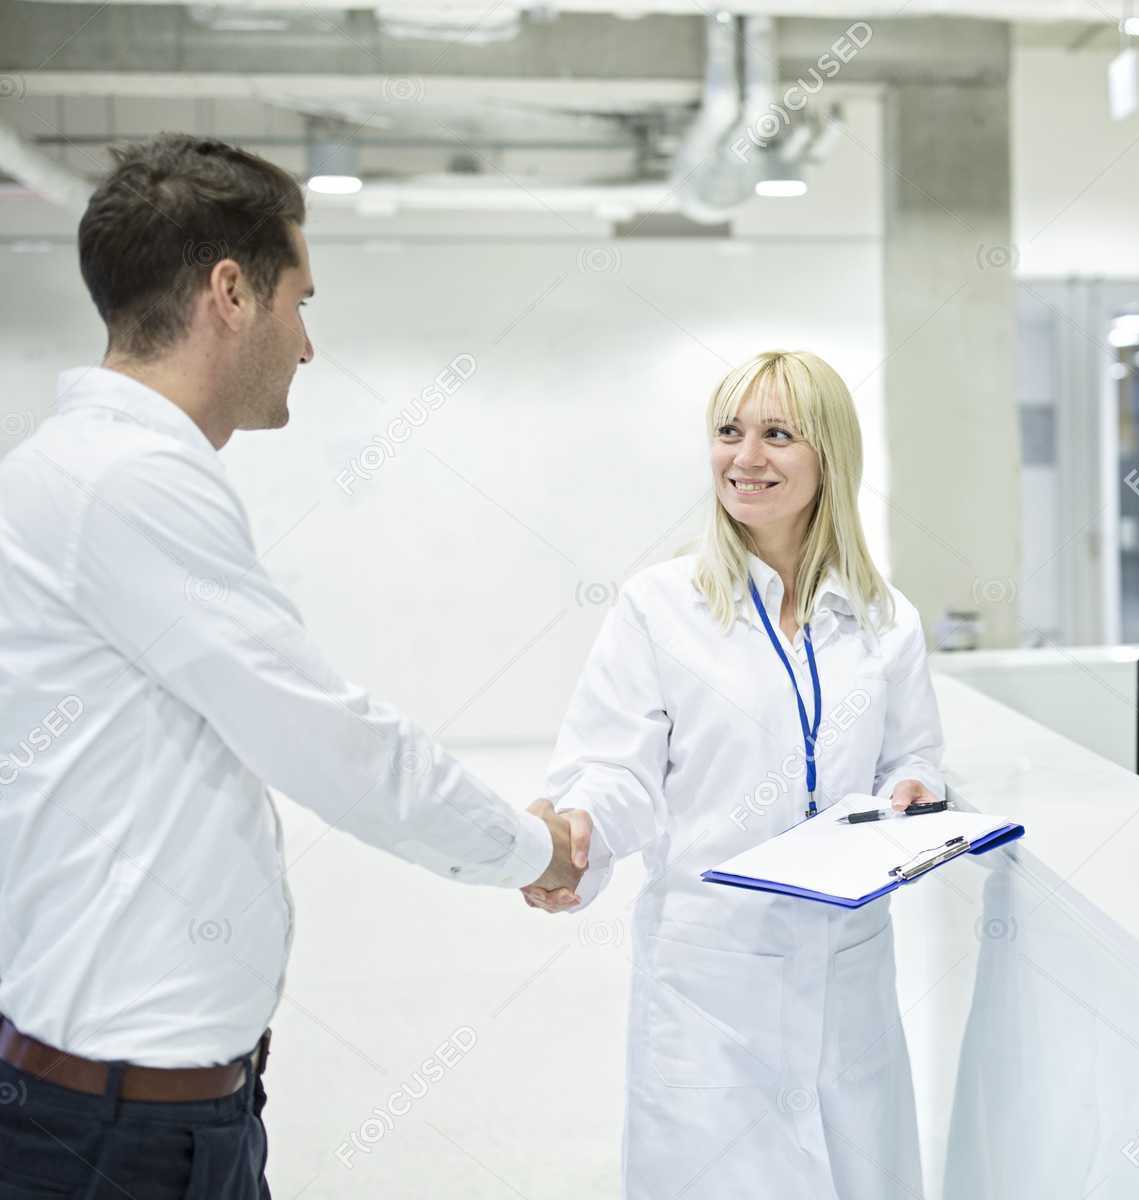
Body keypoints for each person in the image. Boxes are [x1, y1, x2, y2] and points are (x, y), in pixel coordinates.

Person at [0, 135, 588, 1198]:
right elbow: (331, 744)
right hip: (119, 1136)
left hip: (142, 1109)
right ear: (231, 292)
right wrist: (530, 847)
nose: (309, 345)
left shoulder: (68, 472)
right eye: (299, 300)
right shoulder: (127, 485)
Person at [522, 350, 945, 1198]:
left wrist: (916, 792)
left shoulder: (884, 618)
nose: (745, 458)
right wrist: (579, 833)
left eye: (778, 435)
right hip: (710, 982)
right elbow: (617, 770)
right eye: (729, 433)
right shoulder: (660, 607)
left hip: (846, 969)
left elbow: (914, 756)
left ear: (830, 455)